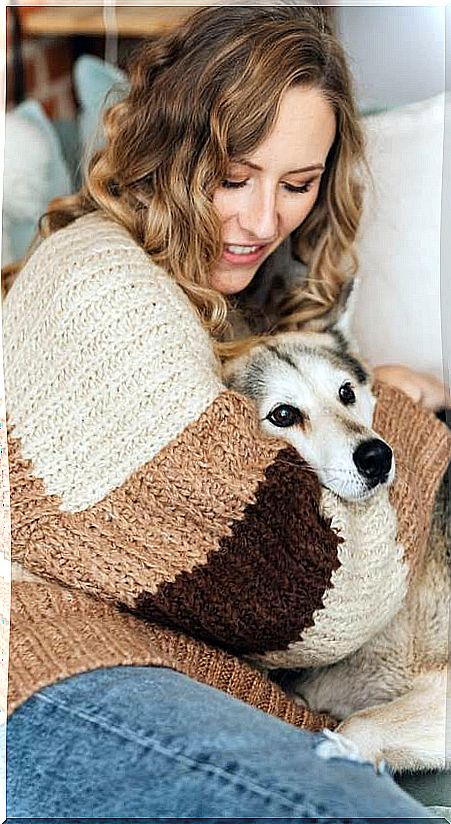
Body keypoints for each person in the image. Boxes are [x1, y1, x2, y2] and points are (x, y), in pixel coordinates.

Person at [3, 5, 449, 820]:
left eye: (297, 184)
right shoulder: (100, 281)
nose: (259, 221)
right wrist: (400, 418)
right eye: (232, 177)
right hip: (50, 665)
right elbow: (295, 591)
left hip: (160, 670)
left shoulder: (244, 305)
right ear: (168, 151)